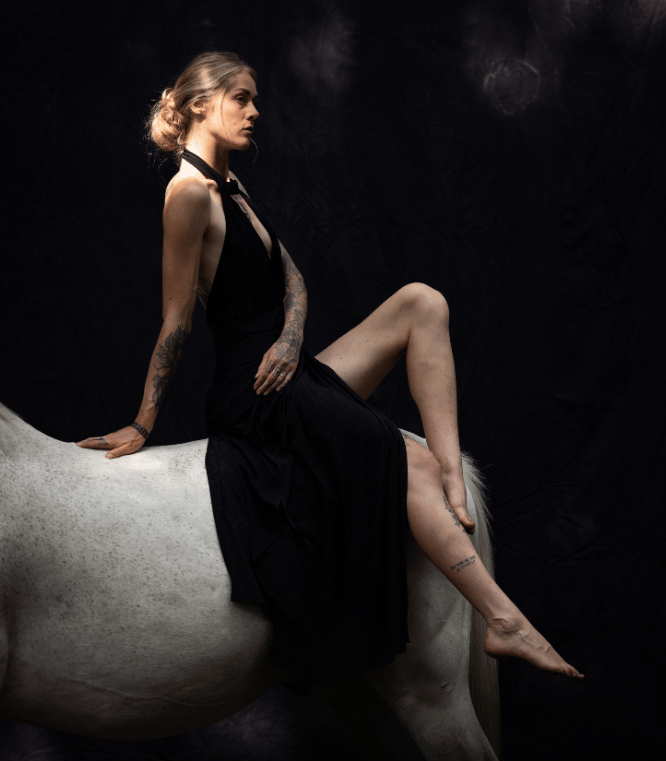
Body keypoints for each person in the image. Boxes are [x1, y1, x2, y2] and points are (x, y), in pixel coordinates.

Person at [78, 51, 582, 681]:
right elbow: (176, 320)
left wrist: (292, 341)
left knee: (422, 303)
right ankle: (503, 619)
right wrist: (143, 423)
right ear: (200, 105)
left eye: (255, 99)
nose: (255, 112)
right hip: (254, 392)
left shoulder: (233, 187)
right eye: (242, 98)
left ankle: (453, 475)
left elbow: (293, 279)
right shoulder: (188, 196)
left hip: (286, 366)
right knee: (404, 459)